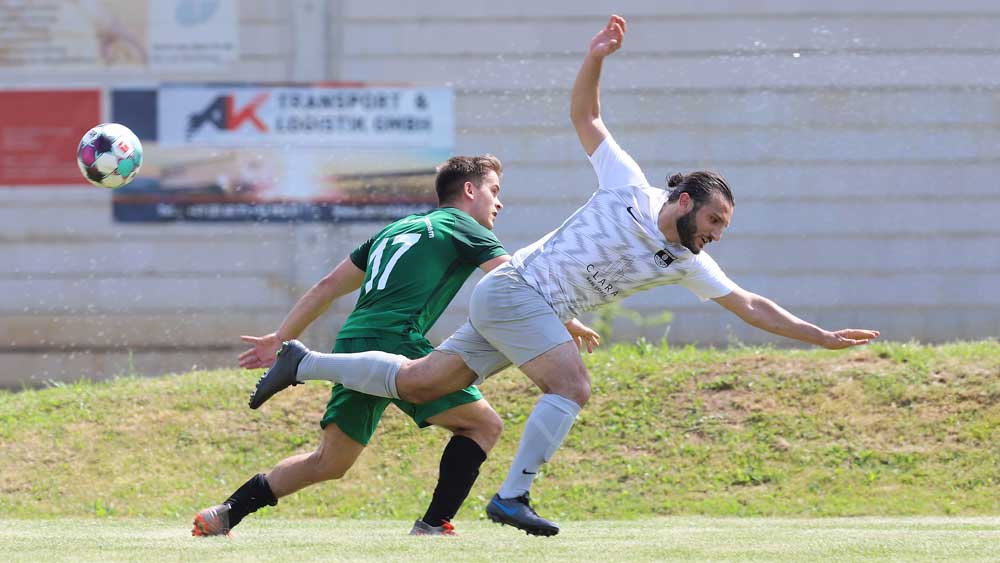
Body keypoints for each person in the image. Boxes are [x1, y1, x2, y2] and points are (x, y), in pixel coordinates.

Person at [247, 15, 879, 537]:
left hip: (518, 307)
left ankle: (305, 362)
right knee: (571, 386)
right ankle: (511, 497)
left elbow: (749, 304)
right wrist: (595, 58)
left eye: (723, 228)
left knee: (420, 382)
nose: (716, 234)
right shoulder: (628, 186)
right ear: (684, 200)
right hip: (518, 291)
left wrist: (818, 335)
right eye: (714, 219)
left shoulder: (688, 260)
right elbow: (587, 118)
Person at [193, 155, 595, 538]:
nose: (499, 202)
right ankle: (433, 526)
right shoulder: (463, 225)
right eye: (494, 190)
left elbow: (328, 286)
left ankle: (226, 513)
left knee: (329, 462)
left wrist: (280, 336)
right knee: (482, 425)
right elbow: (514, 285)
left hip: (353, 342)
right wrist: (567, 320)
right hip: (396, 341)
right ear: (469, 190)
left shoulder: (395, 229)